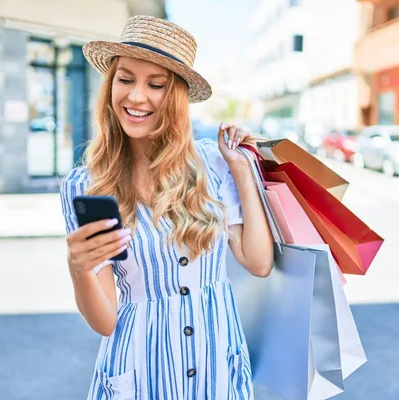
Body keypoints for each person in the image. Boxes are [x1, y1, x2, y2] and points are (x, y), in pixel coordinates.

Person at [59, 15, 273, 399]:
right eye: (125, 80)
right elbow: (106, 321)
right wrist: (79, 268)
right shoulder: (86, 185)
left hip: (216, 368)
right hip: (141, 372)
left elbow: (258, 262)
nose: (136, 97)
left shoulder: (211, 163)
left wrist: (241, 168)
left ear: (174, 96)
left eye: (155, 84)